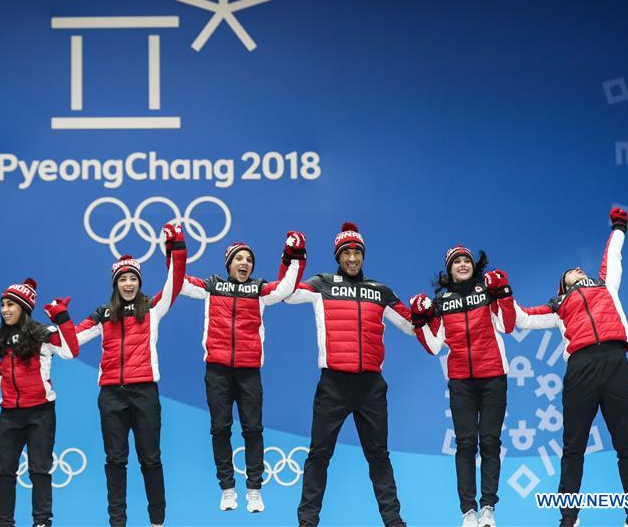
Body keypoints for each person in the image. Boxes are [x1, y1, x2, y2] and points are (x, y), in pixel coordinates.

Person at [514, 207, 628, 527]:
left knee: (627, 444)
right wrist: (501, 294)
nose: (576, 269)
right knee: (573, 447)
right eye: (570, 272)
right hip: (581, 369)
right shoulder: (558, 307)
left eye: (577, 268)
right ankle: (569, 517)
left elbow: (612, 255)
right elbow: (521, 318)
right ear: (563, 286)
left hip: (616, 362)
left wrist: (618, 227)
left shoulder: (605, 287)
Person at [285, 222, 414, 527]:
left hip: (370, 386)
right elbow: (287, 295)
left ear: (363, 255)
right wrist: (291, 260)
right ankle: (306, 522)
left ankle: (394, 521)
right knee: (319, 455)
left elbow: (411, 325)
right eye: (347, 253)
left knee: (379, 456)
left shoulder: (380, 291)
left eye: (357, 252)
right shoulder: (321, 284)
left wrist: (428, 313)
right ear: (338, 256)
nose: (353, 258)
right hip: (334, 385)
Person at [62, 223, 186, 527]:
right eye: (123, 279)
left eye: (133, 278)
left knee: (150, 459)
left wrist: (177, 246)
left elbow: (176, 281)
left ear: (139, 282)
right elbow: (69, 347)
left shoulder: (153, 307)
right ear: (115, 283)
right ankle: (117, 522)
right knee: (115, 461)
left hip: (144, 392)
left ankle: (157, 521)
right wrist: (61, 319)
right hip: (111, 396)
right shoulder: (103, 314)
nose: (128, 284)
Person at [180, 231, 307, 512]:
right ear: (228, 264)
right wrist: (174, 250)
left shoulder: (260, 289)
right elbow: (178, 283)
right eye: (239, 258)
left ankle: (253, 490)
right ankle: (227, 489)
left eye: (249, 260)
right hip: (217, 371)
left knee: (253, 430)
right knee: (220, 429)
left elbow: (286, 288)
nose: (245, 263)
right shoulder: (212, 287)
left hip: (249, 372)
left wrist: (295, 256)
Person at [0, 278, 79, 527]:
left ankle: (42, 522)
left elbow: (71, 351)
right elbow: (5, 373)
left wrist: (62, 317)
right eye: (2, 304)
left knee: (39, 471)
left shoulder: (43, 333)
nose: (4, 309)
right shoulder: (3, 337)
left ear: (23, 307)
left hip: (40, 413)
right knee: (4, 472)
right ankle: (4, 523)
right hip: (9, 413)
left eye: (10, 304)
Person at [409, 246, 516, 527]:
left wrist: (504, 293)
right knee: (466, 444)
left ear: (474, 265)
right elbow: (433, 346)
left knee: (490, 442)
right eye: (456, 261)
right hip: (461, 382)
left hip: (494, 376)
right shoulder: (441, 302)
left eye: (466, 259)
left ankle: (488, 509)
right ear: (449, 270)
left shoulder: (487, 291)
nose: (462, 264)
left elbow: (507, 325)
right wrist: (420, 321)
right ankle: (468, 511)